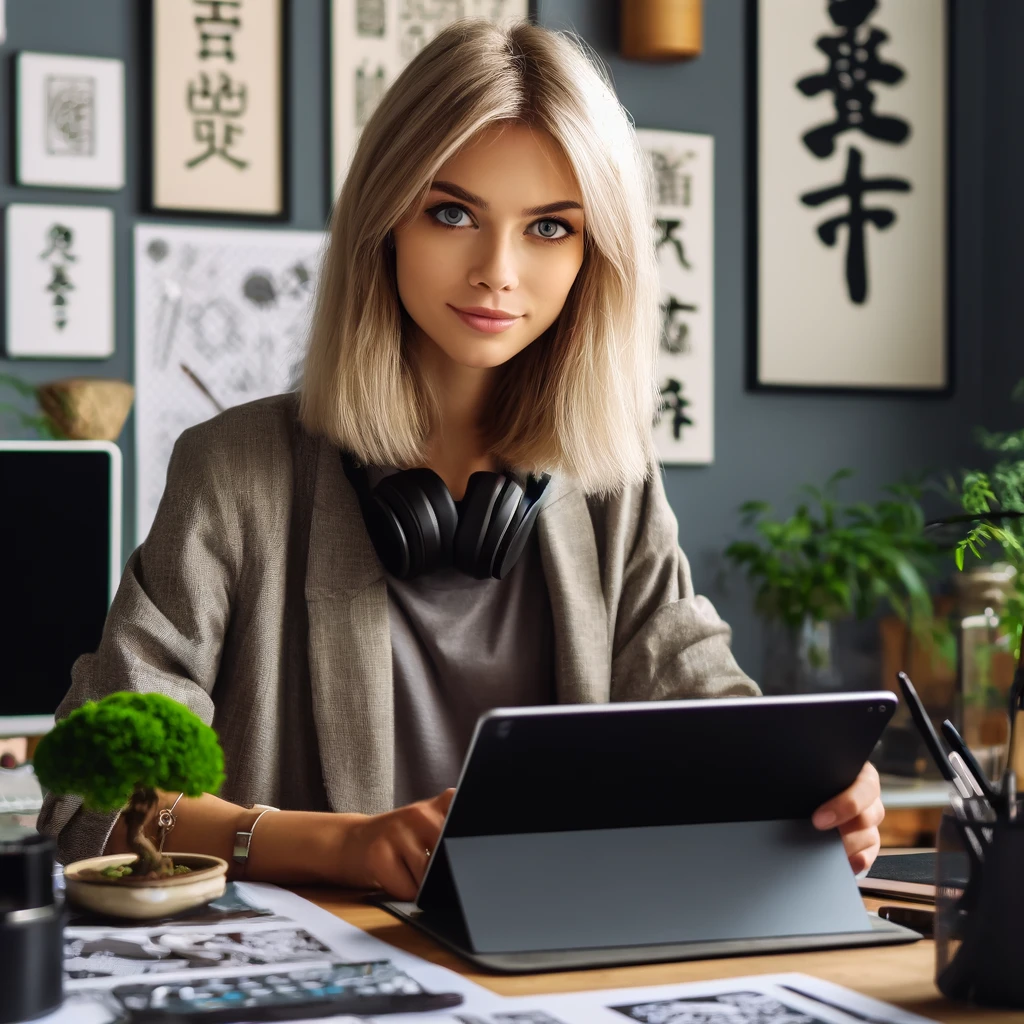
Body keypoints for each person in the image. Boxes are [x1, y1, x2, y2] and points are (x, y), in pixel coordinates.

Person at [39, 19, 883, 900]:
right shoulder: (236, 470)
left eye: (549, 227)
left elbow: (711, 715)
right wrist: (343, 846)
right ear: (386, 222)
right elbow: (93, 797)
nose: (498, 271)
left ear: (596, 255)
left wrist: (809, 790)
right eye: (452, 213)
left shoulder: (614, 482)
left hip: (554, 948)